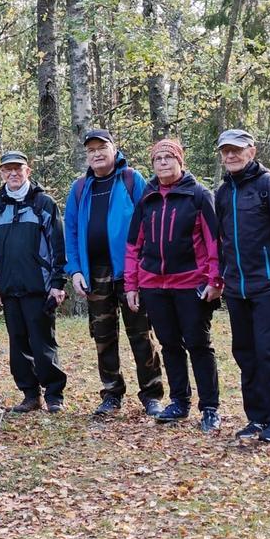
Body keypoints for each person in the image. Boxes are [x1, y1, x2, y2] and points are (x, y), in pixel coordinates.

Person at [124, 140, 223, 433]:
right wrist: (132, 284)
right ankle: (179, 401)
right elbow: (133, 246)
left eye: (169, 157)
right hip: (154, 285)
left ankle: (210, 408)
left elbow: (214, 242)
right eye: (158, 159)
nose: (163, 163)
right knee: (169, 345)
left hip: (191, 284)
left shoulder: (198, 195)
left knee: (198, 344)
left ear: (180, 161)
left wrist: (215, 280)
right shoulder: (147, 198)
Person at [64, 129, 164, 418]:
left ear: (113, 149)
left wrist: (146, 267)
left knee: (140, 333)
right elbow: (70, 231)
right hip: (94, 274)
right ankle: (111, 393)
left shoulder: (132, 179)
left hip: (130, 273)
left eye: (101, 148)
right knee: (103, 336)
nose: (96, 154)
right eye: (91, 150)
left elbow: (150, 222)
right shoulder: (81, 187)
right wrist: (75, 270)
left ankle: (152, 394)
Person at [214, 129, 270, 442]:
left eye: (237, 150)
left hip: (269, 286)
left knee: (268, 352)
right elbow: (221, 240)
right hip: (236, 288)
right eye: (225, 151)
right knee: (245, 352)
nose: (230, 156)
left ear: (251, 151)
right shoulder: (223, 193)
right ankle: (256, 418)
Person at [0, 152, 67, 414]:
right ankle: (30, 395)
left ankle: (54, 395)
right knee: (17, 344)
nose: (13, 174)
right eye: (7, 170)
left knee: (43, 343)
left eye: (17, 169)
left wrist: (57, 282)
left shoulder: (43, 204)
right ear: (1, 174)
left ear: (27, 171)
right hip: (8, 289)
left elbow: (57, 245)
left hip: (39, 288)